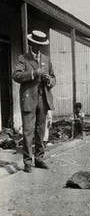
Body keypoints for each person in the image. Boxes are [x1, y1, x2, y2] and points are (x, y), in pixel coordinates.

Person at [13, 30, 56, 173]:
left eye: (41, 46)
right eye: (36, 45)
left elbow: (54, 78)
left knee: (41, 130)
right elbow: (16, 75)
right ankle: (27, 162)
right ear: (31, 44)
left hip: (43, 99)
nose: (39, 48)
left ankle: (39, 159)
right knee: (27, 131)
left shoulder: (47, 60)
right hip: (29, 99)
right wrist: (33, 74)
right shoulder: (23, 58)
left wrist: (50, 81)